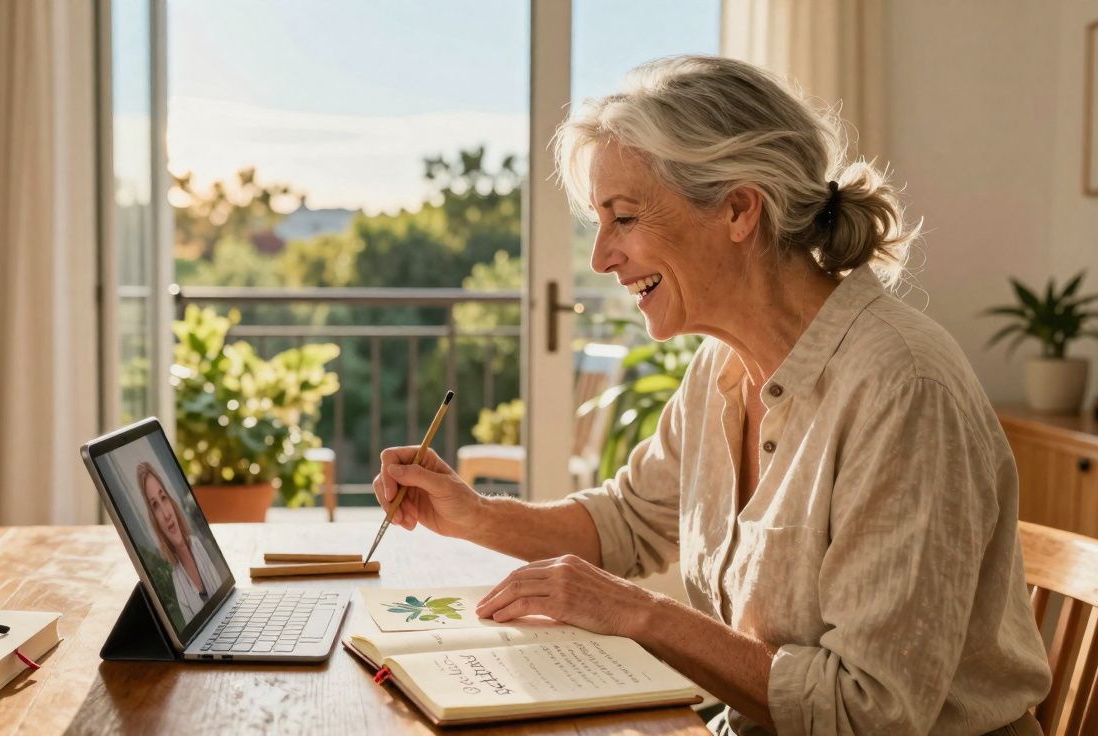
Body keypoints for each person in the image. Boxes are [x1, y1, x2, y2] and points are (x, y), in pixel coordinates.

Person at [372, 56, 1050, 735]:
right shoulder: (718, 369)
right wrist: (471, 515)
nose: (602, 257)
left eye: (625, 218)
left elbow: (868, 711)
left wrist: (638, 613)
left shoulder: (902, 387)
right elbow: (628, 524)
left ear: (737, 209)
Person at [137, 461, 222, 624]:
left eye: (164, 498)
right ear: (155, 521)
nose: (166, 514)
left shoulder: (200, 545)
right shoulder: (178, 583)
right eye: (155, 505)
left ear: (172, 502)